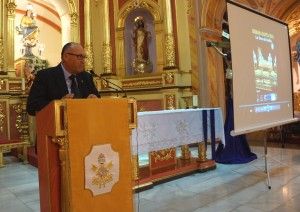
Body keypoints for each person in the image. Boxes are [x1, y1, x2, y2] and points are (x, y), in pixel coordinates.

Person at [26, 42, 99, 116]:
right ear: (66, 56)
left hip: (83, 123)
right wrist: (59, 104)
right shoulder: (45, 76)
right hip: (57, 124)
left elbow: (98, 101)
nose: (83, 61)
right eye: (79, 57)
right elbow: (31, 107)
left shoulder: (86, 77)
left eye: (84, 57)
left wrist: (94, 100)